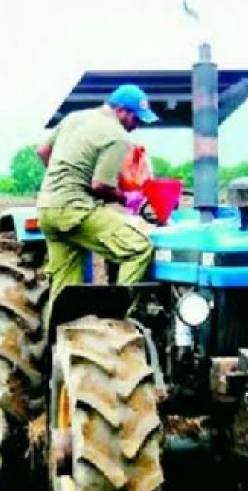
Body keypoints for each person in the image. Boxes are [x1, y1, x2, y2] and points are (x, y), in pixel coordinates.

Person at [35, 83, 159, 320]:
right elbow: (100, 186)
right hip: (75, 210)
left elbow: (42, 151)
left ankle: (57, 347)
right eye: (137, 119)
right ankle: (120, 321)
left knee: (65, 288)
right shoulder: (117, 136)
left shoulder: (75, 118)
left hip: (48, 208)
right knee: (138, 248)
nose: (137, 126)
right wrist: (126, 198)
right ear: (122, 111)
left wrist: (63, 178)